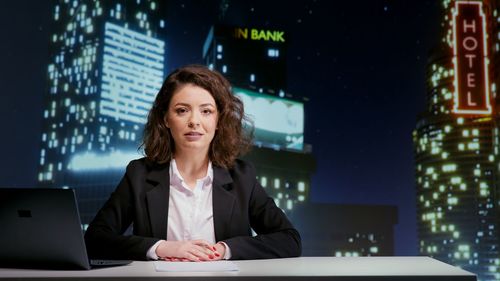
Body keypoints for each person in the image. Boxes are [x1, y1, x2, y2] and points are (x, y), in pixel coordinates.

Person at [84, 65, 301, 261]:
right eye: (182, 110)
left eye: (206, 111)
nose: (194, 121)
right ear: (166, 119)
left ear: (218, 121)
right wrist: (161, 248)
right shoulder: (139, 174)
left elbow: (290, 240)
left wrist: (225, 250)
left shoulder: (242, 177)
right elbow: (94, 240)